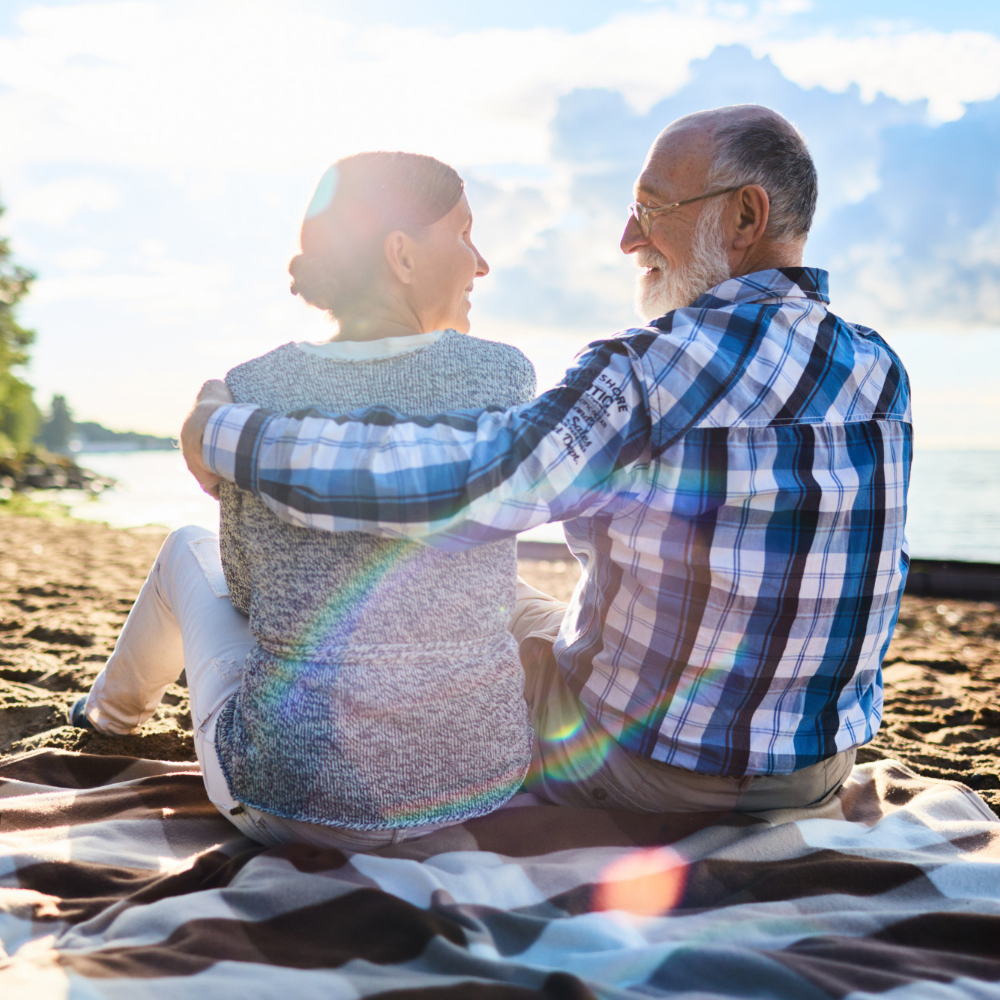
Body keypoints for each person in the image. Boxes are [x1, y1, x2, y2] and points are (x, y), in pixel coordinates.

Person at [184, 105, 913, 816]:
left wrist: (230, 435)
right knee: (510, 607)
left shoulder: (648, 372)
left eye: (652, 208)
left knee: (460, 617)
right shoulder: (882, 370)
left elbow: (457, 486)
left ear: (745, 218)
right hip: (817, 770)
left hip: (650, 772)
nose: (630, 238)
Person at [73, 152, 537, 849]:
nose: (481, 262)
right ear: (401, 255)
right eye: (465, 233)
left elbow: (252, 596)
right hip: (476, 785)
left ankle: (106, 718)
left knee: (185, 550)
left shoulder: (254, 388)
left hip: (290, 801)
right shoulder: (504, 374)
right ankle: (105, 714)